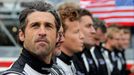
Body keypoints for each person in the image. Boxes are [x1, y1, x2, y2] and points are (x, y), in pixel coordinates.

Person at [1, 1, 62, 75]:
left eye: (48, 26)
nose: (42, 32)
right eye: (35, 26)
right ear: (22, 35)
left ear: (57, 36)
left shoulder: (57, 72)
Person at [53, 2, 84, 75]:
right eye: (76, 32)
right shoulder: (55, 68)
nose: (82, 36)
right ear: (60, 35)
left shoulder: (71, 62)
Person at [72, 8, 97, 75]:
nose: (93, 31)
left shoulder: (86, 53)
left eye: (93, 26)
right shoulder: (66, 58)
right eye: (88, 26)